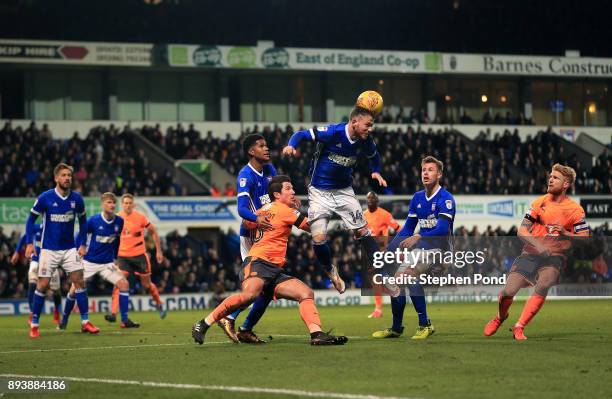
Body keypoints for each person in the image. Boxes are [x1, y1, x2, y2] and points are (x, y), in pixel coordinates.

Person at [191, 175, 347, 346]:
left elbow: (246, 224)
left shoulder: (263, 209)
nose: (293, 192)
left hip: (273, 269)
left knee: (306, 293)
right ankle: (204, 323)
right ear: (277, 194)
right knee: (250, 295)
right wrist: (329, 215)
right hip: (258, 262)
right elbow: (313, 229)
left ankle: (317, 334)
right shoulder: (285, 211)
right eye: (288, 188)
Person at [282, 106, 386, 295]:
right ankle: (331, 271)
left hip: (344, 191)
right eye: (368, 125)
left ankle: (383, 272)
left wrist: (376, 170)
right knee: (318, 238)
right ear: (354, 122)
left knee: (363, 231)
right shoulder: (333, 132)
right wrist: (291, 144)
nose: (370, 129)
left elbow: (374, 156)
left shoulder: (366, 140)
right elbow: (302, 134)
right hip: (319, 192)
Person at [484, 164, 590, 340]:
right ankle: (500, 317)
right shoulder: (538, 203)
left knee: (545, 282)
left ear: (566, 184)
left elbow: (585, 239)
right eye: (550, 176)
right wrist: (539, 246)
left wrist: (566, 233)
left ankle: (519, 326)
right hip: (531, 253)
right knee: (508, 292)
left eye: (555, 177)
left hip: (554, 257)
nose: (550, 179)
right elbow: (522, 230)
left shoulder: (575, 210)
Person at [372, 156, 455, 340]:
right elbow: (408, 228)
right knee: (395, 283)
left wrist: (418, 236)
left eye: (431, 169)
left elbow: (442, 229)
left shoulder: (445, 198)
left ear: (439, 174)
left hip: (440, 250)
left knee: (408, 276)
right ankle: (396, 328)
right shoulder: (417, 198)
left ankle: (425, 324)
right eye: (424, 169)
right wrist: (388, 252)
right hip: (421, 249)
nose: (426, 172)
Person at [25, 163, 99, 338]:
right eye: (64, 175)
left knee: (79, 281)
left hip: (69, 249)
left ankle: (85, 322)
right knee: (42, 285)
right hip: (48, 250)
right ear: (56, 178)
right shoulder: (45, 198)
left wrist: (82, 244)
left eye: (69, 175)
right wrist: (29, 243)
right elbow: (30, 221)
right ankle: (34, 325)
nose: (67, 178)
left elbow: (83, 223)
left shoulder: (77, 199)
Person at [217, 134, 276, 344]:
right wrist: (258, 219)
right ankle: (230, 318)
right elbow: (242, 209)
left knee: (266, 290)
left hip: (267, 235)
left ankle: (242, 326)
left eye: (266, 144)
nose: (266, 148)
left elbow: (278, 195)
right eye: (261, 145)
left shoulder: (269, 170)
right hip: (251, 237)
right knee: (259, 288)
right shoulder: (245, 175)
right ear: (251, 151)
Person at [61, 193, 139, 329]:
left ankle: (125, 320)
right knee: (74, 290)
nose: (112, 205)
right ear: (103, 205)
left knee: (124, 284)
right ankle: (64, 319)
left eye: (114, 203)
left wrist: (115, 257)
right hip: (89, 261)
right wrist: (79, 249)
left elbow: (117, 240)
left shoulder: (119, 222)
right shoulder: (93, 221)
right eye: (109, 202)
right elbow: (80, 234)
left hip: (107, 263)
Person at [105, 193, 166, 322]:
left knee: (147, 285)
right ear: (122, 205)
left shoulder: (140, 218)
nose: (127, 205)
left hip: (139, 256)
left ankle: (159, 303)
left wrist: (159, 251)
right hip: (123, 257)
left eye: (129, 203)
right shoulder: (116, 218)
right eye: (125, 203)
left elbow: (153, 232)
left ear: (133, 205)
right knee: (119, 283)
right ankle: (113, 313)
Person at [12, 224, 62, 326]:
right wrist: (17, 252)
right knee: (32, 283)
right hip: (36, 260)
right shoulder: (35, 227)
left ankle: (57, 311)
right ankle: (32, 313)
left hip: (51, 261)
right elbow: (24, 238)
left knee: (56, 290)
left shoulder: (56, 228)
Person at [363, 191, 400, 318]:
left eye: (373, 199)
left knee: (378, 277)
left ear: (377, 201)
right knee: (378, 279)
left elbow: (398, 229)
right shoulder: (363, 215)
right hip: (370, 253)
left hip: (382, 252)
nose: (370, 201)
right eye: (368, 199)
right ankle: (393, 296)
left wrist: (393, 244)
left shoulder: (385, 214)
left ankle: (380, 308)